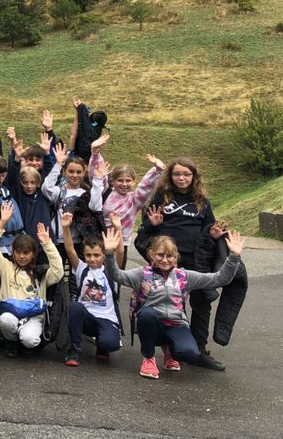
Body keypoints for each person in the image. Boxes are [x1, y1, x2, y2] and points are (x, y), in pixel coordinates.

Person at [134, 157, 244, 371]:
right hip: (168, 259)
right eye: (177, 174)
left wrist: (213, 234)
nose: (181, 178)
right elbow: (146, 228)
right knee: (164, 302)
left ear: (193, 176)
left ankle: (199, 351)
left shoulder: (202, 200)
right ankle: (164, 348)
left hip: (196, 260)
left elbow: (209, 228)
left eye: (186, 174)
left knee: (202, 302)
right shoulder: (161, 196)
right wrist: (152, 223)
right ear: (170, 176)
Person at [103, 227, 245, 380]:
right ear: (151, 255)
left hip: (176, 324)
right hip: (152, 325)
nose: (165, 260)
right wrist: (110, 254)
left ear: (176, 257)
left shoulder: (184, 276)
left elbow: (219, 279)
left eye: (170, 256)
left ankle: (170, 351)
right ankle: (148, 358)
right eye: (160, 255)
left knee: (190, 353)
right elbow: (116, 275)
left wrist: (234, 257)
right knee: (146, 314)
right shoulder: (142, 274)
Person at [0, 204, 63, 357]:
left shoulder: (40, 273)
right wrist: (2, 222)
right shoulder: (6, 267)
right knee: (5, 320)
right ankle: (11, 340)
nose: (22, 257)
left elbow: (58, 271)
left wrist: (47, 244)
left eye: (26, 253)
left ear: (33, 254)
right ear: (13, 252)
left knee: (30, 340)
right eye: (18, 252)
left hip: (34, 316)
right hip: (11, 313)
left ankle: (23, 340)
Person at [62, 212, 123, 367]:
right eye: (88, 255)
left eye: (96, 255)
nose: (92, 258)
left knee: (110, 344)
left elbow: (120, 253)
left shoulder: (111, 270)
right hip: (87, 318)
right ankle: (74, 349)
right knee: (76, 306)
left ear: (103, 255)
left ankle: (102, 346)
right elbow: (70, 250)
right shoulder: (82, 268)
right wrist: (66, 228)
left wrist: (118, 228)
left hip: (106, 318)